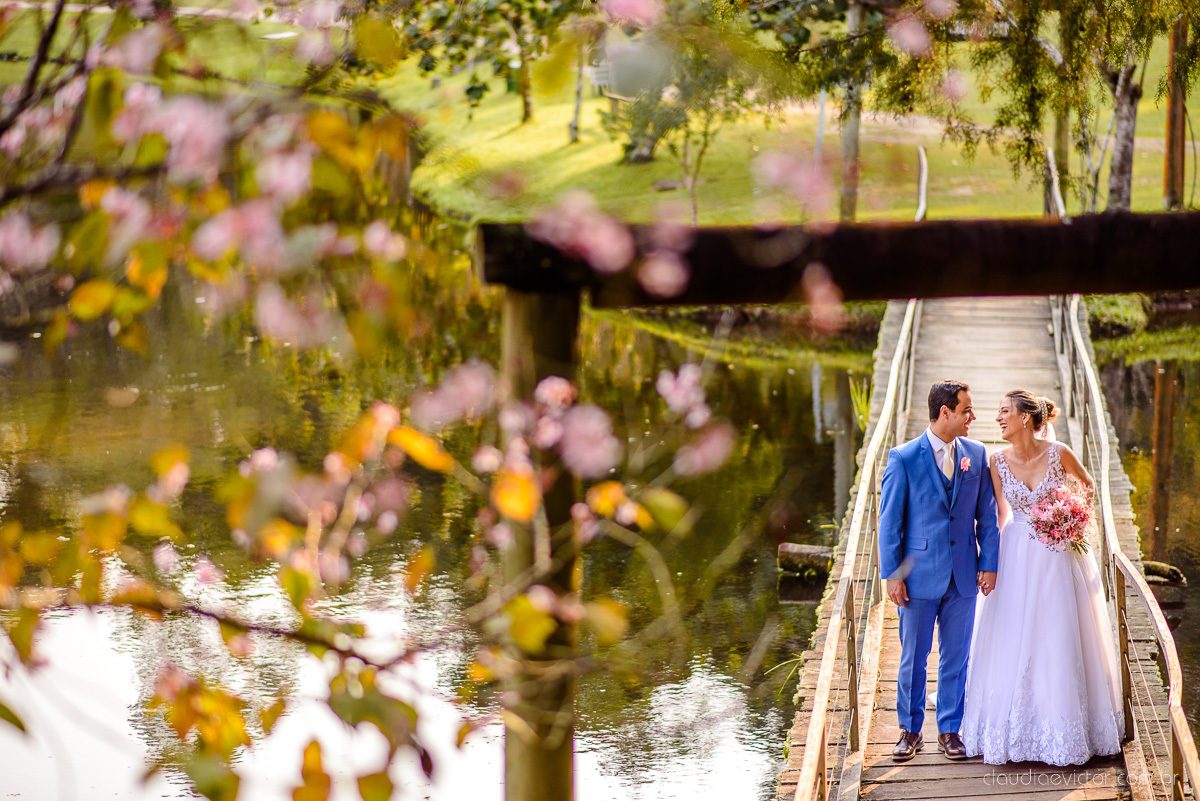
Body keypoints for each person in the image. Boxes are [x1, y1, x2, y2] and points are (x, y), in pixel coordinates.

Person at [959, 390, 1124, 764]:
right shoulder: (996, 462)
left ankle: (1065, 724)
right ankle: (1013, 726)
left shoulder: (1059, 452)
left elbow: (1088, 487)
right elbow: (999, 516)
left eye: (1004, 411)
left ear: (1025, 418)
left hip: (1058, 555)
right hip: (1016, 553)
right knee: (1013, 634)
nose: (998, 418)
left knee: (1057, 633)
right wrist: (990, 561)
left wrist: (1072, 517)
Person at [878, 380, 1001, 762]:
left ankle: (950, 731)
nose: (973, 418)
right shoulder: (903, 458)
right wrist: (892, 574)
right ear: (944, 412)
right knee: (913, 657)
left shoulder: (977, 455)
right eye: (966, 410)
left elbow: (988, 517)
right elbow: (889, 522)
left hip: (964, 575)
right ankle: (909, 731)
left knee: (956, 657)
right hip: (917, 577)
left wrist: (989, 564)